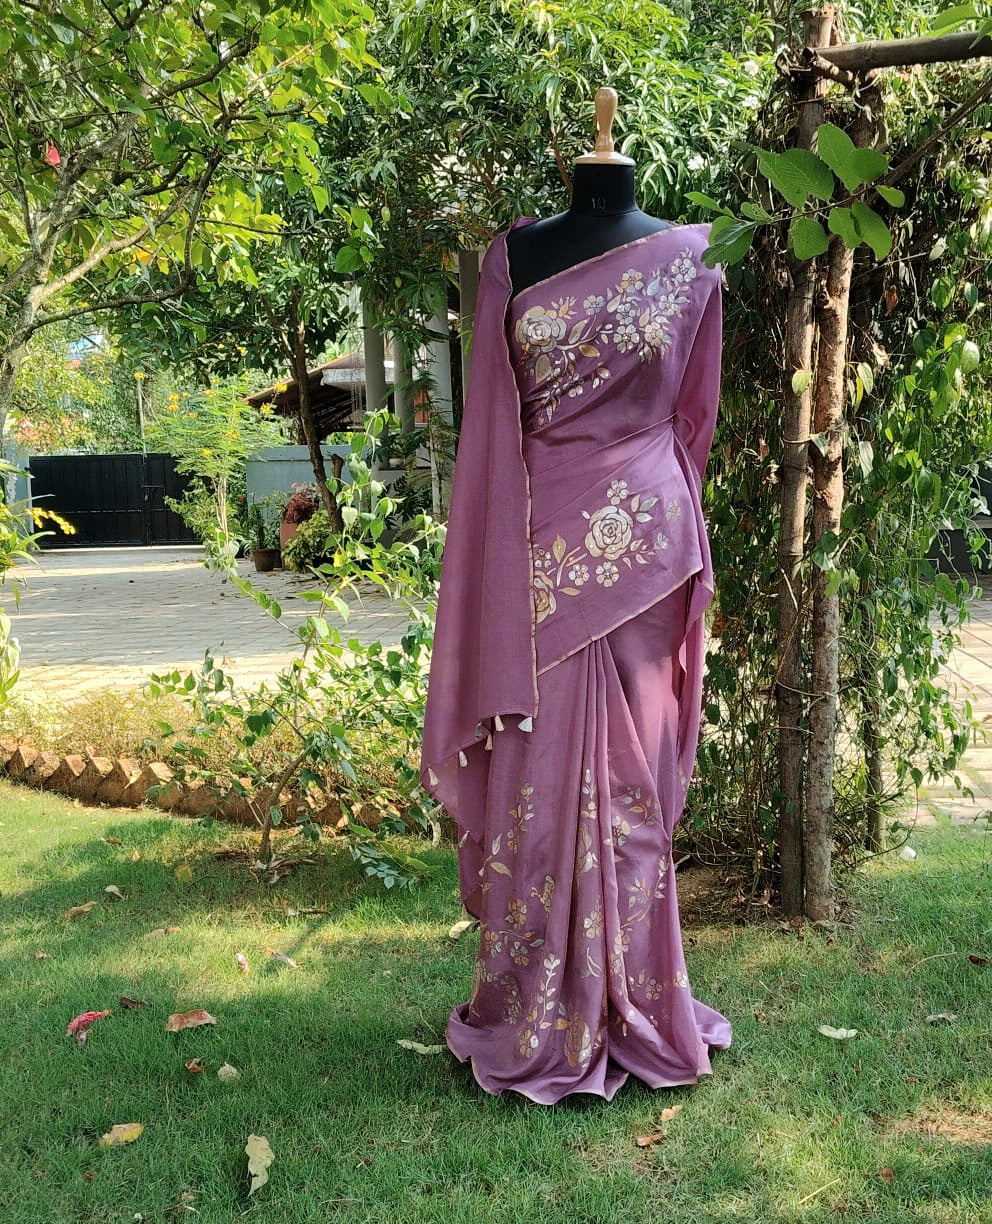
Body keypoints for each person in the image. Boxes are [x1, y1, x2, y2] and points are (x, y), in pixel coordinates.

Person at [421, 90, 731, 1103]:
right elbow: (490, 427)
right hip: (536, 544)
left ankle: (636, 992)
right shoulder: (510, 260)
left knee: (634, 780)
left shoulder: (694, 258)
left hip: (643, 553)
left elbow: (692, 424)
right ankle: (533, 1000)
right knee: (534, 782)